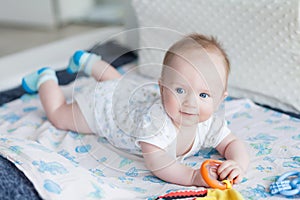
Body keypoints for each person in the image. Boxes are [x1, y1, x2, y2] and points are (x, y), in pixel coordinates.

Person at [22, 33, 249, 187]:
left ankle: (89, 62)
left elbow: (232, 144)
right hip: (104, 108)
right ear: (162, 89)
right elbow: (158, 163)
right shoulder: (156, 123)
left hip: (130, 96)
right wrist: (191, 176)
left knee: (119, 84)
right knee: (60, 116)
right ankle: (45, 78)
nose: (191, 103)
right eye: (180, 90)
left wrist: (237, 163)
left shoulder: (210, 122)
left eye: (203, 95)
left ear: (219, 100)